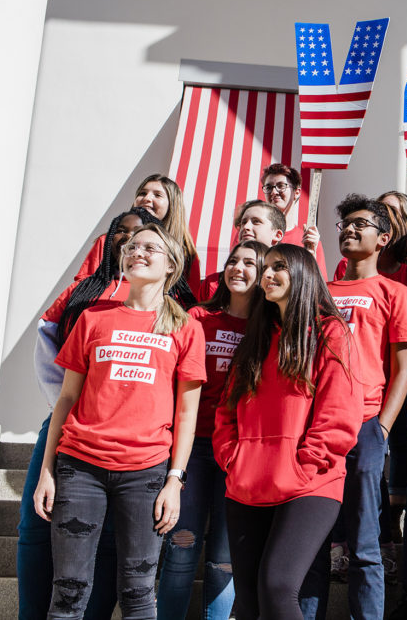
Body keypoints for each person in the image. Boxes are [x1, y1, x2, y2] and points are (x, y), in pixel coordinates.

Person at [33, 224, 206, 619]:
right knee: (69, 591)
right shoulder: (94, 318)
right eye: (132, 247)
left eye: (150, 248)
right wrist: (47, 471)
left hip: (146, 472)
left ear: (171, 266)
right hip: (79, 467)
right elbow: (67, 399)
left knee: (139, 592)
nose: (137, 252)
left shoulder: (186, 327)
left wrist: (175, 481)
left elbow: (187, 412)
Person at [19, 208, 160, 619]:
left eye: (144, 237)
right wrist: (62, 400)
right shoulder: (84, 292)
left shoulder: (170, 306)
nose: (130, 243)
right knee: (34, 527)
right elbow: (46, 341)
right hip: (70, 423)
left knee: (111, 540)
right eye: (123, 234)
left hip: (134, 448)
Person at [215, 244, 362, 620]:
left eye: (278, 266)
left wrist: (303, 466)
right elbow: (226, 412)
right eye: (265, 268)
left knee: (277, 587)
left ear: (303, 273)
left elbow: (339, 414)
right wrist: (234, 459)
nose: (266, 275)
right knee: (248, 600)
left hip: (309, 484)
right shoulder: (256, 338)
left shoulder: (332, 333)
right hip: (247, 483)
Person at [307, 195, 407, 620]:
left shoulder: (396, 292)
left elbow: (402, 368)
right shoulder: (319, 292)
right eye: (345, 224)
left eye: (360, 225)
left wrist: (383, 427)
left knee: (365, 542)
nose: (349, 230)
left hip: (368, 424)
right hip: (317, 428)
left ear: (382, 238)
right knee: (314, 541)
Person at [156, 240, 268, 619]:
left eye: (250, 263)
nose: (238, 268)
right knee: (182, 545)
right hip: (194, 447)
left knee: (224, 560)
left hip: (241, 453)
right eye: (233, 261)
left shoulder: (269, 328)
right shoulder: (198, 319)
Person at [76, 174, 202, 297]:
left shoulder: (185, 252)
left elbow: (191, 298)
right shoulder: (108, 241)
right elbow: (83, 283)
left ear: (172, 205)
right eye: (142, 193)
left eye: (157, 195)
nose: (147, 198)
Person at [197, 199, 286, 300]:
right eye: (244, 222)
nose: (246, 227)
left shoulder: (284, 284)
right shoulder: (214, 284)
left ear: (277, 235)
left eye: (256, 222)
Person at [261, 163, 327, 277]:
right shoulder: (253, 232)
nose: (274, 192)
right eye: (269, 187)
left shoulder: (309, 241)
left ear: (296, 192)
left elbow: (320, 287)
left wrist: (312, 256)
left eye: (281, 186)